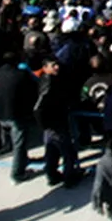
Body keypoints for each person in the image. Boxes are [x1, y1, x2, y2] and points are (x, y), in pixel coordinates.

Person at [0, 52, 37, 183]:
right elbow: (33, 88)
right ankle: (17, 174)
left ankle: (23, 161)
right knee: (19, 145)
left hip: (0, 113)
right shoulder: (21, 75)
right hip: (16, 115)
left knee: (13, 142)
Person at [35, 58, 82, 187]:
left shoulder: (49, 80)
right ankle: (69, 177)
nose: (56, 67)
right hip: (55, 122)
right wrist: (44, 124)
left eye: (57, 65)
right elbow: (39, 106)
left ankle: (52, 175)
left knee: (52, 151)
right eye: (53, 65)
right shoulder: (49, 83)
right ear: (45, 68)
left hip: (52, 122)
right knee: (67, 151)